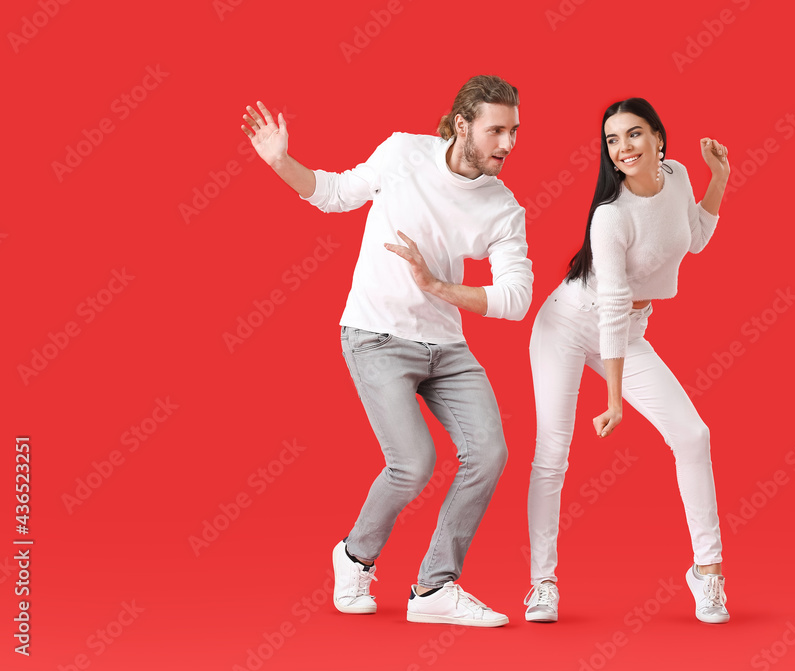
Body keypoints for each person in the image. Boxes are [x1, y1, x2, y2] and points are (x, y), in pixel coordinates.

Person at [240, 75, 532, 627]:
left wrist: (441, 287)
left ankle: (434, 589)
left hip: (446, 347)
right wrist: (282, 162)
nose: (508, 143)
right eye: (497, 130)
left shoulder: (502, 206)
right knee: (414, 462)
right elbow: (334, 194)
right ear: (463, 125)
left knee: (490, 452)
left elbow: (516, 298)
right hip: (376, 336)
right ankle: (354, 557)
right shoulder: (403, 153)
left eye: (514, 131)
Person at [523, 97, 730, 624]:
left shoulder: (679, 176)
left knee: (693, 435)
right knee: (554, 453)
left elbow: (695, 240)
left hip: (628, 330)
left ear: (660, 137)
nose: (624, 148)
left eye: (634, 134)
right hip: (569, 323)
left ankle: (708, 574)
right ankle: (541, 584)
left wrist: (719, 177)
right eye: (613, 141)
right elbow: (612, 303)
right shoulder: (610, 218)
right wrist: (614, 398)